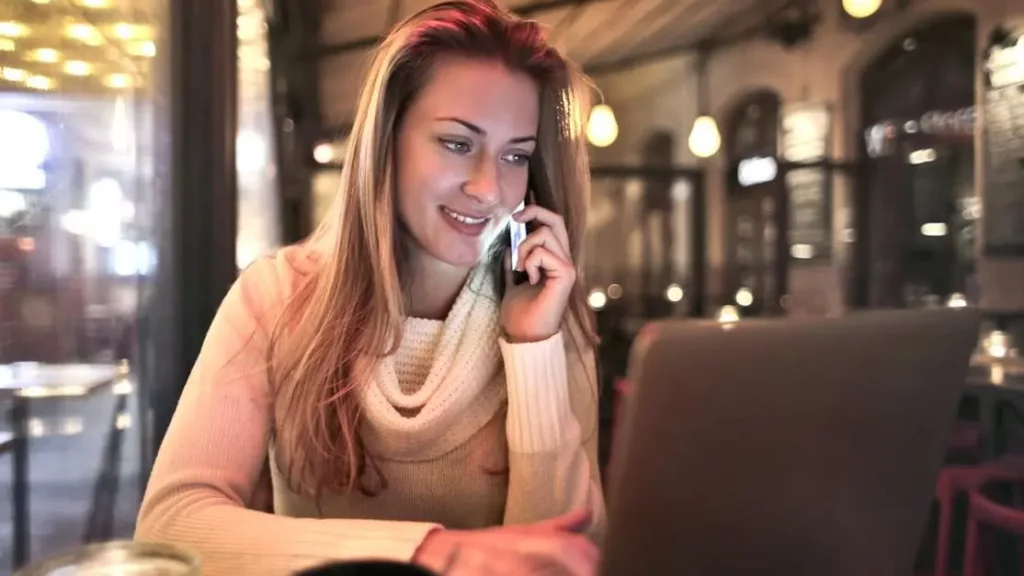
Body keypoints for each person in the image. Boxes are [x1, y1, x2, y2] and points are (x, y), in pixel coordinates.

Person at [135, 1, 605, 574]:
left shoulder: (552, 315)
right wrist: (429, 554)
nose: (488, 188)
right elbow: (171, 525)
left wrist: (534, 348)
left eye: (515, 156)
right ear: (387, 141)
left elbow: (561, 556)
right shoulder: (277, 297)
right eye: (457, 143)